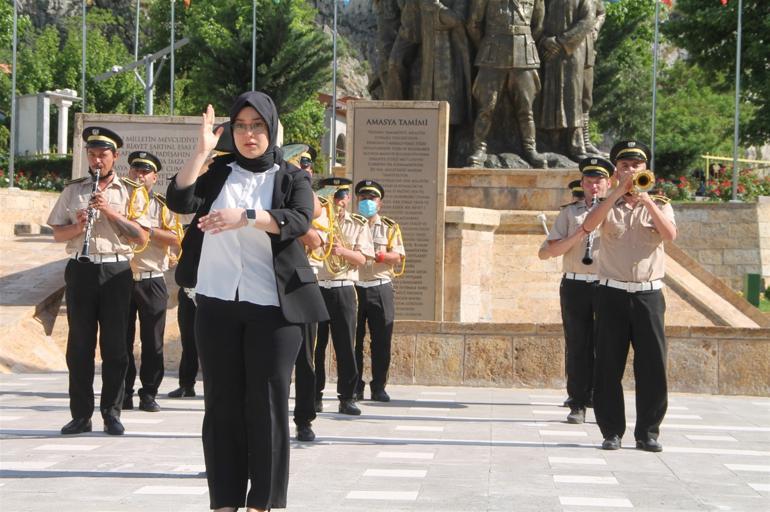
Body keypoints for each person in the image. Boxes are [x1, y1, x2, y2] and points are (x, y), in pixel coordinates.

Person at [165, 91, 328, 511]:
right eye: (241, 125)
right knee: (220, 404)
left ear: (271, 129)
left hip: (274, 309)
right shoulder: (218, 172)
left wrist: (248, 217)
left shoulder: (292, 176)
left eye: (258, 125)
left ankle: (263, 503)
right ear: (230, 131)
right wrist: (201, 152)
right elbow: (179, 201)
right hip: (217, 303)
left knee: (268, 404)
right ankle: (224, 501)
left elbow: (299, 219)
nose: (249, 134)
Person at [47, 127, 148, 436]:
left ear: (115, 156)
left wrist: (108, 212)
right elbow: (57, 234)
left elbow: (141, 236)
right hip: (81, 269)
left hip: (116, 271)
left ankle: (112, 412)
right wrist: (77, 227)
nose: (96, 160)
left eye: (103, 155)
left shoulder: (131, 191)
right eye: (92, 154)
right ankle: (80, 415)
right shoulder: (74, 189)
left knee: (116, 345)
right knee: (79, 345)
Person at [581, 140, 677, 453]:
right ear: (615, 171)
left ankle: (648, 432)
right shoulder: (606, 203)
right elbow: (588, 226)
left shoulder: (660, 203)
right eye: (624, 166)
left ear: (646, 170)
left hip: (648, 295)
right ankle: (611, 431)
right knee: (608, 365)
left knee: (652, 366)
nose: (630, 170)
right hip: (612, 293)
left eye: (636, 166)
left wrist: (647, 201)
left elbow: (670, 235)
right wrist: (614, 195)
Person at [538, 157, 612, 424]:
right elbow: (546, 252)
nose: (594, 186)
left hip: (606, 284)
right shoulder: (570, 213)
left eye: (599, 181)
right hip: (576, 283)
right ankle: (577, 401)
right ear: (582, 183)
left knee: (606, 345)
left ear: (608, 184)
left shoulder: (615, 210)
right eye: (589, 181)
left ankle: (600, 397)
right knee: (578, 344)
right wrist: (581, 232)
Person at [168, 124, 234, 400]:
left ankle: (219, 387)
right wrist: (202, 155)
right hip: (194, 281)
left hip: (228, 282)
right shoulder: (214, 176)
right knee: (190, 337)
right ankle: (187, 382)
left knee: (222, 345)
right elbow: (181, 199)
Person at [122, 151, 181, 413]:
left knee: (153, 342)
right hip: (121, 278)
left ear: (154, 177)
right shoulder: (119, 200)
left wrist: (146, 230)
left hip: (151, 278)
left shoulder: (161, 204)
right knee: (121, 340)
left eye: (145, 171)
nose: (139, 175)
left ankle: (149, 392)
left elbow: (176, 238)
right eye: (135, 169)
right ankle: (123, 392)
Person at [313, 177, 375, 416]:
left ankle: (347, 397)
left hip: (343, 287)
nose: (338, 201)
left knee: (345, 345)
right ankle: (314, 395)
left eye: (342, 196)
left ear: (348, 199)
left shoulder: (358, 223)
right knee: (315, 347)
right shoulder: (317, 221)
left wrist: (342, 251)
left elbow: (363, 259)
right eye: (334, 196)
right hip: (318, 285)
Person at [466, 0, 547, 168]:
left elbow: (538, 26)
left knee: (526, 109)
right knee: (486, 107)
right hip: (492, 54)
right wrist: (487, 45)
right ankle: (479, 149)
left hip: (524, 54)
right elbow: (473, 23)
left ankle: (530, 149)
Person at [353, 180, 406, 402]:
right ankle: (354, 386)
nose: (367, 202)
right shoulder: (349, 224)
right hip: (355, 286)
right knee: (353, 341)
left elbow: (398, 256)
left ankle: (379, 386)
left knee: (381, 340)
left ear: (379, 203)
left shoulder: (389, 226)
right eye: (363, 198)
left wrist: (378, 256)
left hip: (380, 286)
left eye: (371, 198)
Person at [537, 0, 595, 160]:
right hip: (546, 52)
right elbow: (535, 17)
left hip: (573, 53)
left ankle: (576, 145)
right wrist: (543, 40)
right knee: (549, 97)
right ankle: (551, 142)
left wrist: (561, 42)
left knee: (572, 98)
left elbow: (587, 20)